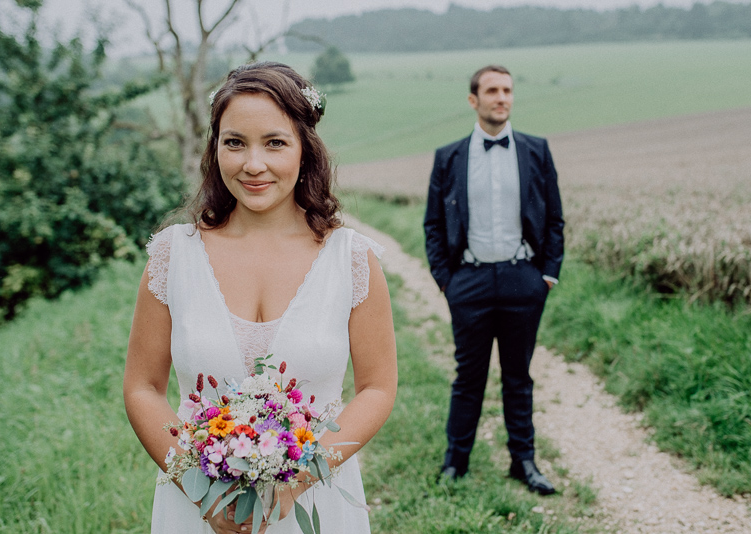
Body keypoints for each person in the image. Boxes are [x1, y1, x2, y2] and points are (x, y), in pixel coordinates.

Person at [124, 62, 398, 533]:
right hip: (198, 509)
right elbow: (142, 387)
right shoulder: (173, 255)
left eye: (274, 142)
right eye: (235, 143)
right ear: (215, 150)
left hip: (314, 502)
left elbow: (377, 388)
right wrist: (199, 490)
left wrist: (298, 479)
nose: (253, 164)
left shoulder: (350, 259)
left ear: (304, 151)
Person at [424, 65, 564, 495]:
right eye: (491, 91)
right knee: (469, 376)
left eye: (507, 90)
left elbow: (555, 219)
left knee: (518, 376)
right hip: (469, 282)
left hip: (525, 280)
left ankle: (524, 462)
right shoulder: (448, 156)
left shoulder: (536, 150)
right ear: (474, 100)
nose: (501, 97)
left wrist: (548, 275)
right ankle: (455, 462)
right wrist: (447, 280)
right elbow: (433, 224)